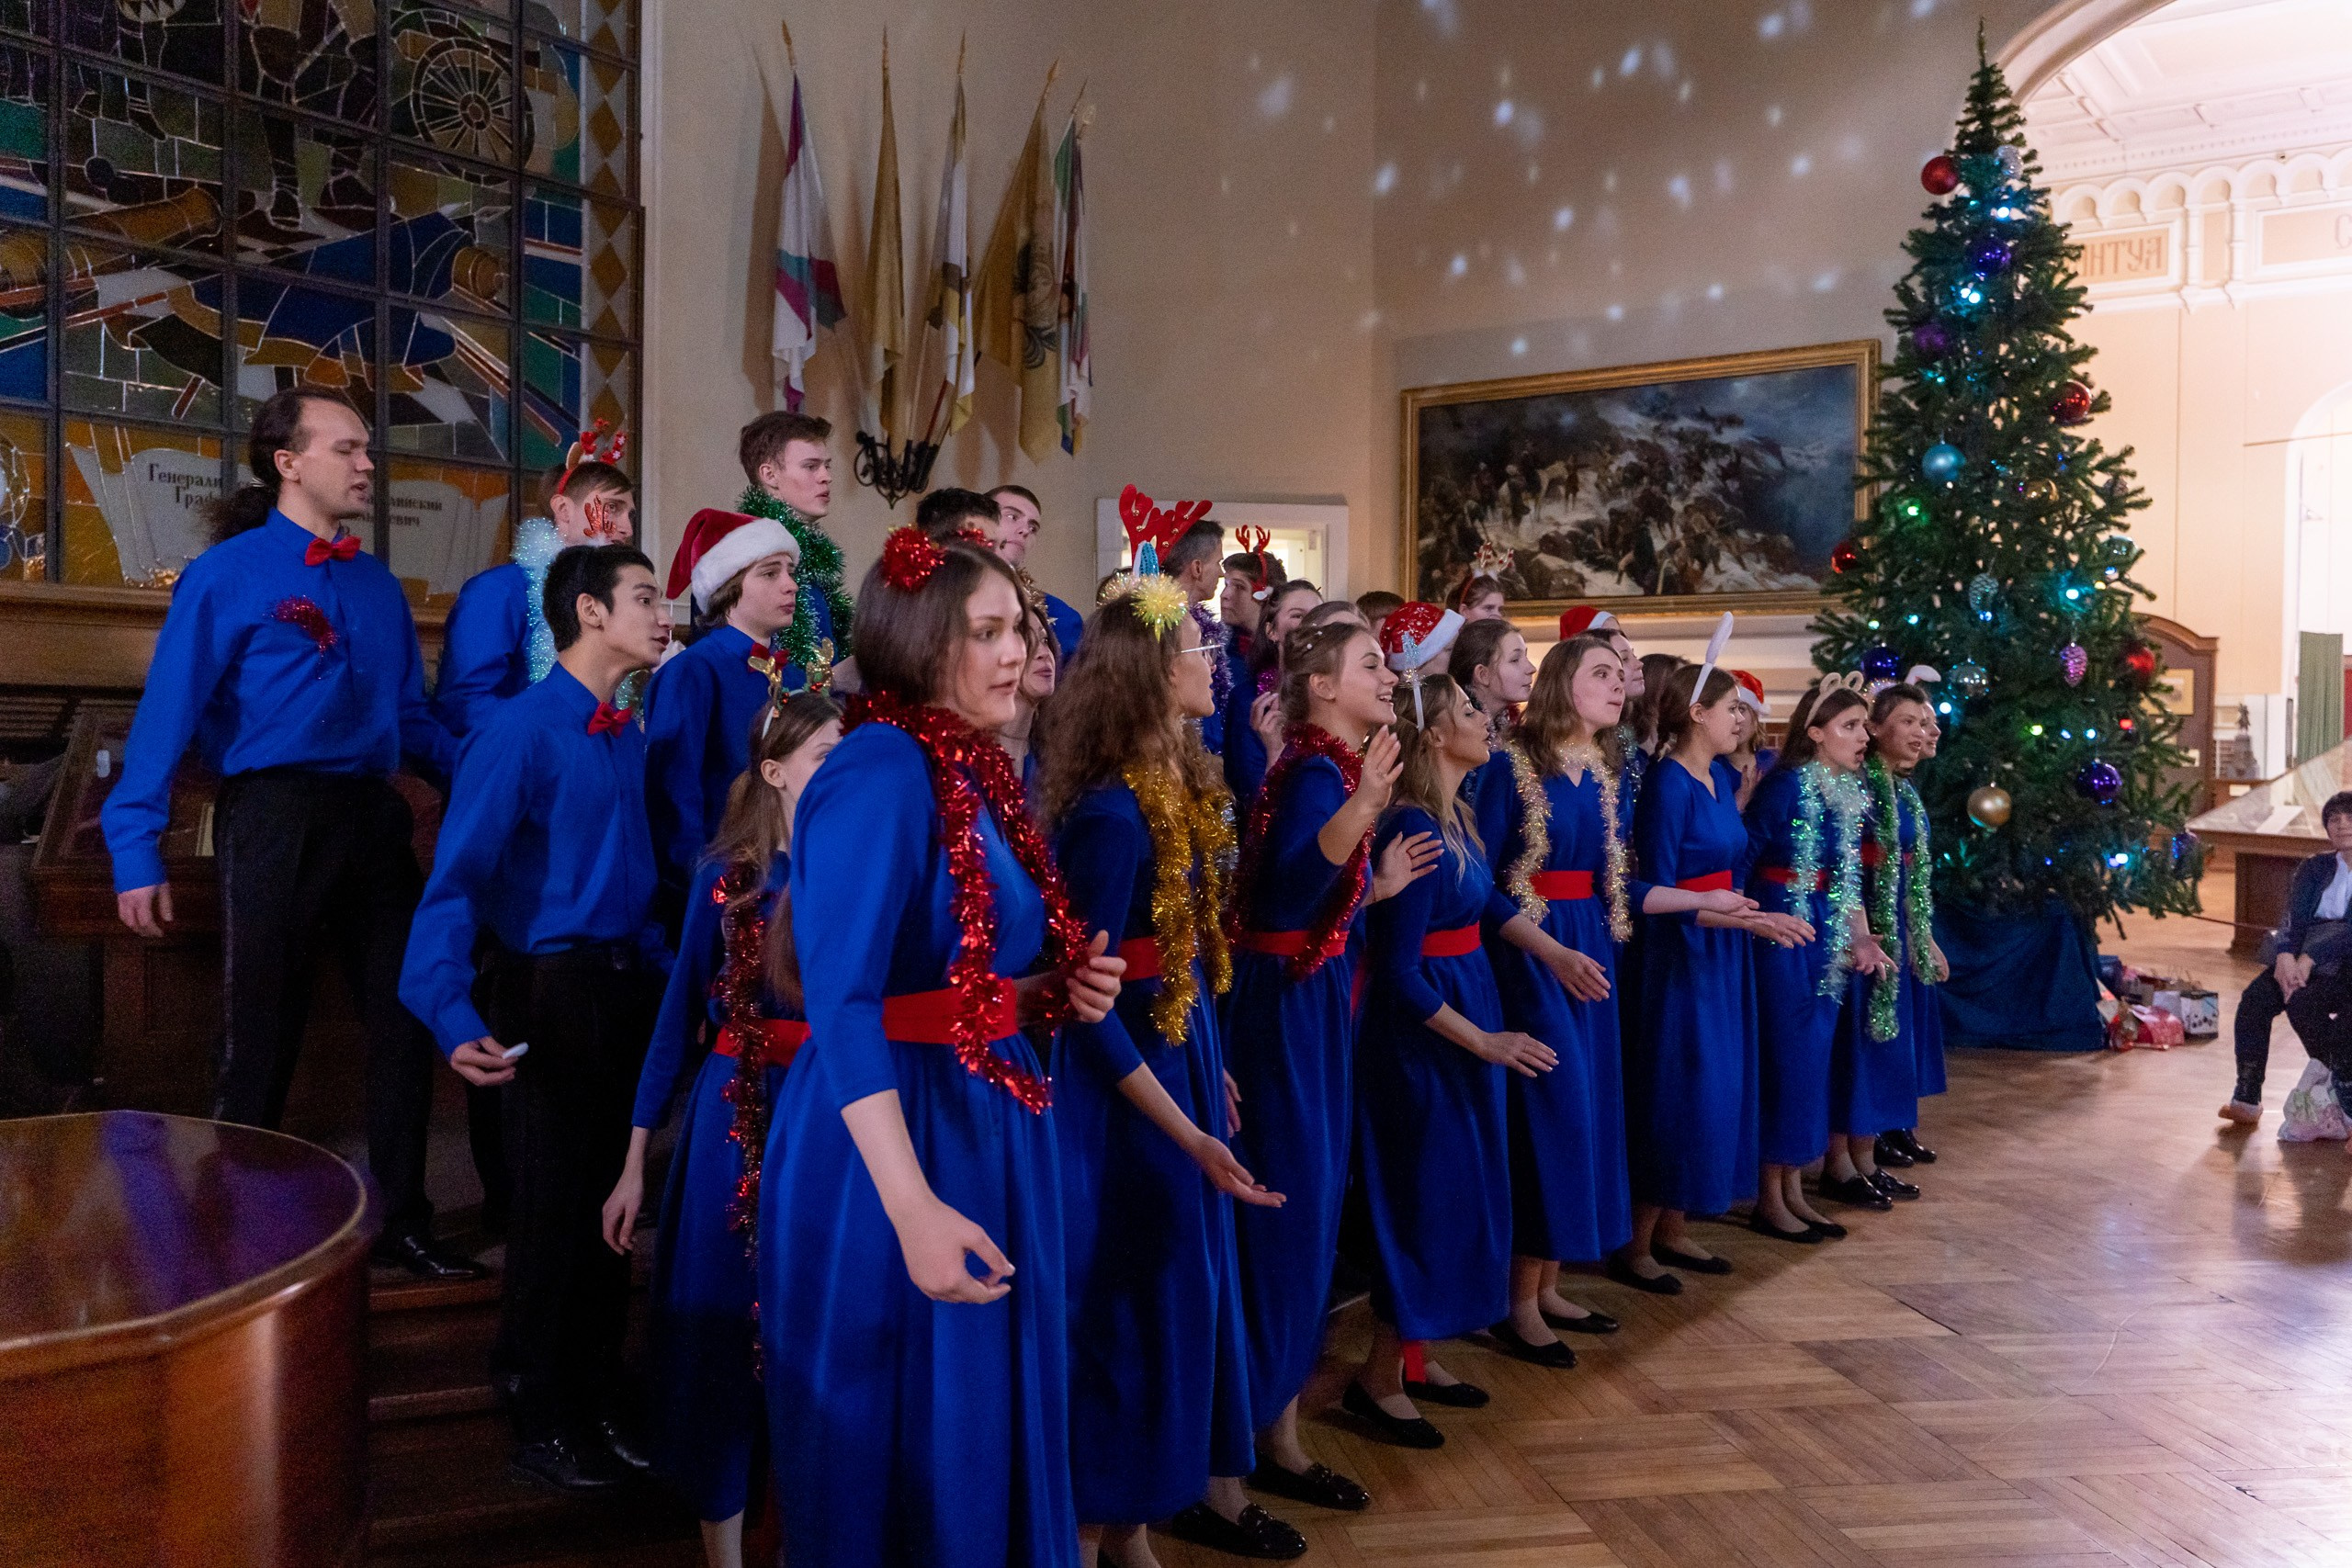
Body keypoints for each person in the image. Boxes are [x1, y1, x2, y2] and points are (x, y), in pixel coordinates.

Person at [754, 528, 1123, 1568]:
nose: (1019, 653)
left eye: (1022, 629)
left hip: (977, 1114)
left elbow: (954, 970)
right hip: (897, 1141)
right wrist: (910, 1207)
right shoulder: (878, 765)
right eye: (989, 631)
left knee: (982, 1421)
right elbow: (844, 998)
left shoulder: (969, 767)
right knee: (910, 1443)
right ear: (921, 640)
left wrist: (1050, 990)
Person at [101, 386, 471, 1281]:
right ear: (288, 461)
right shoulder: (226, 576)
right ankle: (233, 1235)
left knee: (405, 1017)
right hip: (273, 817)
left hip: (372, 815)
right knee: (260, 1032)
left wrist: (493, 776)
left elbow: (413, 724)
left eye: (367, 450)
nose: (366, 465)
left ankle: (403, 1223)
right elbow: (168, 716)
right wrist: (134, 846)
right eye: (347, 448)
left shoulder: (379, 586)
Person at [1039, 580, 1305, 1565]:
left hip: (1177, 1061)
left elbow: (1186, 961)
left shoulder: (1181, 791)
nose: (1214, 660)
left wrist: (1211, 1070)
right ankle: (1088, 1527)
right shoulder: (1112, 818)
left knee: (1174, 1306)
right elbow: (1087, 1007)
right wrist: (1181, 1124)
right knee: (1128, 1308)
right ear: (1150, 674)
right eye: (1197, 647)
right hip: (1125, 1098)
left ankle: (1132, 1528)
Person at [399, 543, 674, 1490]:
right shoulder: (518, 732)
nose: (662, 609)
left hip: (620, 983)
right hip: (547, 989)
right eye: (643, 596)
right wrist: (446, 1008)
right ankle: (537, 1406)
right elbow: (454, 885)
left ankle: (599, 1392)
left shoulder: (626, 734)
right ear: (589, 612)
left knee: (611, 1208)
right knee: (552, 1211)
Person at [602, 692, 840, 1568]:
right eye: (821, 755)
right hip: (736, 1114)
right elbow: (674, 1023)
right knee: (720, 1338)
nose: (836, 772)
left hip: (826, 1108)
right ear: (775, 771)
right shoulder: (730, 879)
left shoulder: (853, 866)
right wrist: (635, 1163)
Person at [1222, 619, 1432, 1516]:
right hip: (1282, 1021)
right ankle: (1247, 1451)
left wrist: (1373, 886)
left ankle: (1275, 1431)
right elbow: (1282, 896)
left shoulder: (1334, 773)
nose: (1388, 679)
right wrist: (1359, 815)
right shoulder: (1315, 774)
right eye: (1371, 666)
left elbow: (1316, 898)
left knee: (1307, 1222)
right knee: (1283, 1225)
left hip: (1312, 1006)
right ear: (1319, 688)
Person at [1350, 653, 1560, 1450]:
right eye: (1471, 711)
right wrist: (1483, 1040)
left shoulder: (1458, 814)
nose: (1487, 719)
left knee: (1461, 1194)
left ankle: (1416, 1355)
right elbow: (1399, 974)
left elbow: (1486, 909)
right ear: (1437, 731)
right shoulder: (1411, 823)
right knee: (1423, 1203)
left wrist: (1550, 952)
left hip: (1465, 1016)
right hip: (1426, 1042)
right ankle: (1377, 1378)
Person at [1615, 661, 1811, 1292]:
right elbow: (1647, 887)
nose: (1743, 719)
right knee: (1678, 1093)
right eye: (1732, 708)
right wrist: (1737, 920)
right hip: (1680, 957)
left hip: (1722, 950)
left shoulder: (1720, 778)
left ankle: (1675, 1226)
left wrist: (1752, 917)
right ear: (1696, 713)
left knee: (1716, 1093)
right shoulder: (1668, 784)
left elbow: (1732, 866)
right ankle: (1638, 1241)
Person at [1475, 634, 1638, 1360]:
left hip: (1587, 944)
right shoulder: (1512, 767)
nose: (1618, 684)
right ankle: (1515, 1300)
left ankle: (1546, 1282)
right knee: (1552, 1116)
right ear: (1559, 686)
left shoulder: (1600, 772)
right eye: (1599, 673)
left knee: (1588, 1112)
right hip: (1535, 952)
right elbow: (1480, 878)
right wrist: (1548, 950)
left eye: (1619, 674)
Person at [1742, 680, 1889, 1243]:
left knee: (1810, 1066)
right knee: (1785, 1063)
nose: (1863, 737)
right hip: (1783, 931)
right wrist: (1748, 921)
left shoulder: (1846, 792)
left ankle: (1793, 1188)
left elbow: (1846, 882)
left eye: (1864, 727)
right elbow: (1747, 857)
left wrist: (1862, 940)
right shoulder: (1785, 789)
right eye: (1850, 726)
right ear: (1814, 733)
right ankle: (1767, 1194)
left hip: (1824, 932)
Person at [646, 509, 803, 923]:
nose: (791, 584)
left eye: (790, 571)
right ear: (729, 589)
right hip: (726, 895)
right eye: (770, 573)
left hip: (793, 884)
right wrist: (703, 891)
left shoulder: (796, 674)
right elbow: (674, 795)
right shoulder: (695, 671)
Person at [1821, 683, 1943, 1209]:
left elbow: (1914, 875)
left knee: (1883, 1043)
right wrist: (1864, 933)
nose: (1923, 733)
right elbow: (1850, 867)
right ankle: (1839, 1162)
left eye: (1925, 723)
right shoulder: (1860, 787)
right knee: (1854, 1045)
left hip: (1896, 923)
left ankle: (1867, 1158)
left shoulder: (1903, 789)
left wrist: (1923, 935)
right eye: (1910, 722)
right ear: (1876, 728)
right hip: (1863, 925)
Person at [435, 432, 636, 738]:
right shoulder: (499, 591)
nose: (627, 529)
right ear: (564, 511)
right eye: (612, 509)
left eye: (630, 514)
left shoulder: (612, 600)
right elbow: (466, 705)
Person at [2220, 792, 2352, 1125]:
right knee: (2254, 1001)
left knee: (2304, 1005)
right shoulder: (2315, 866)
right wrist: (2284, 956)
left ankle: (2343, 1095)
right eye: (2334, 819)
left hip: (2346, 963)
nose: (2343, 825)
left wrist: (2308, 958)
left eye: (2350, 817)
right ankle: (2247, 1098)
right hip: (2304, 955)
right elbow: (2292, 917)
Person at [735, 410, 850, 683]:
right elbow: (748, 666)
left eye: (827, 466)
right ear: (769, 474)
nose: (826, 477)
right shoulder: (746, 556)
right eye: (811, 466)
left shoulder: (808, 557)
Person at [1221, 579, 1321, 807]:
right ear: (1272, 631)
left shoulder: (1335, 695)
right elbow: (1249, 791)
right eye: (1298, 615)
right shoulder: (1248, 700)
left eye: (1317, 616)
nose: (1311, 625)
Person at [989, 483, 1085, 660]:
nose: (1025, 530)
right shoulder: (939, 592)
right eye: (1012, 516)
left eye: (1033, 527)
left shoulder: (1061, 617)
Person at [1161, 518, 1231, 751]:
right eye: (1219, 562)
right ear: (1197, 568)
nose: (1222, 573)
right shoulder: (1167, 626)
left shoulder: (1202, 625)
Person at [1449, 615, 1533, 746]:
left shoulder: (1511, 728)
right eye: (1515, 660)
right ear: (1483, 675)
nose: (1531, 669)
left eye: (1525, 657)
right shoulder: (1459, 737)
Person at [1220, 538, 1284, 666]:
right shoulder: (1215, 648)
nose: (1224, 595)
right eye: (1226, 585)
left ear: (1265, 595)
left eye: (1239, 587)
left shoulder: (1284, 651)